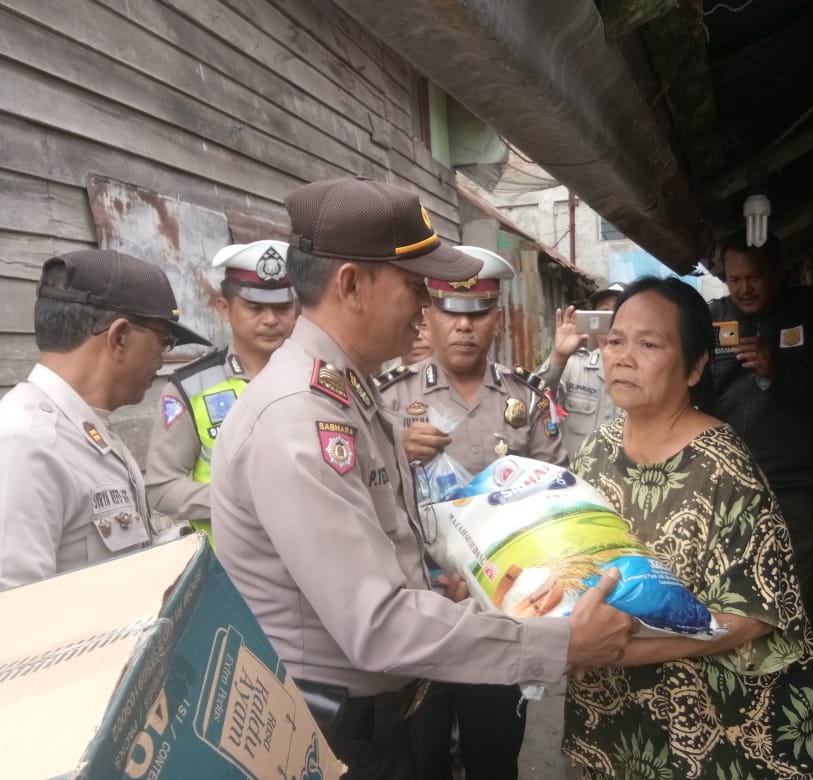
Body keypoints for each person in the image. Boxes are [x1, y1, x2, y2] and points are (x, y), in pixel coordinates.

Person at [209, 176, 634, 779]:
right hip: (336, 735)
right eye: (414, 287)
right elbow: (377, 626)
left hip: (380, 715)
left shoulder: (347, 396)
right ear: (352, 285)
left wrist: (440, 587)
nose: (424, 308)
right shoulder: (299, 419)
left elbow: (379, 564)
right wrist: (556, 646)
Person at [562, 276, 813, 779]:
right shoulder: (597, 449)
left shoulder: (724, 468)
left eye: (648, 343)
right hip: (616, 717)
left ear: (695, 366)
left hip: (710, 728)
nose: (623, 356)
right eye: (616, 340)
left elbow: (757, 614)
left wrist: (624, 650)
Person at [377, 245, 567, 780]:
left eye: (478, 313)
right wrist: (395, 452)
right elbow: (365, 504)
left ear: (498, 320)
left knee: (494, 751)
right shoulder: (388, 401)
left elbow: (555, 499)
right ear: (428, 317)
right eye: (451, 312)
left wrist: (497, 576)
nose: (464, 327)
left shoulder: (525, 400)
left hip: (499, 607)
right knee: (425, 754)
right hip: (420, 607)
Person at [0, 250, 210, 590]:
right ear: (120, 337)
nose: (162, 358)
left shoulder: (89, 428)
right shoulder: (26, 444)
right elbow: (15, 619)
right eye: (164, 341)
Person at [705, 231, 813, 628]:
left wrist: (779, 371)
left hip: (795, 488)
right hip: (728, 486)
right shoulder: (713, 318)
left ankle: (798, 685)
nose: (743, 288)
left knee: (792, 601)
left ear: (779, 270)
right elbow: (691, 390)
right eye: (734, 279)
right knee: (728, 596)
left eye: (753, 277)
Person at [144, 240, 297, 542]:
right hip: (231, 573)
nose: (270, 319)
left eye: (282, 308)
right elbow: (162, 488)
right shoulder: (190, 388)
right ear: (224, 308)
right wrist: (239, 502)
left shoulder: (320, 376)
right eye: (254, 307)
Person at [537, 283, 624, 456]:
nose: (611, 319)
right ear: (593, 319)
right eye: (604, 312)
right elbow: (535, 403)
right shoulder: (573, 365)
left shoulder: (644, 372)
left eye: (618, 312)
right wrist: (558, 357)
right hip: (575, 479)